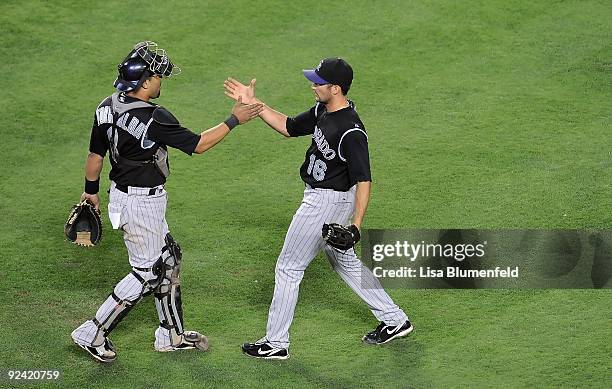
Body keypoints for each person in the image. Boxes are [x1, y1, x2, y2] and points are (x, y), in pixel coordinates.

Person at [71, 41, 263, 363]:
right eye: (158, 76)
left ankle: (170, 335)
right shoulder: (154, 117)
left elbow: (95, 156)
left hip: (121, 197)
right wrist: (234, 120)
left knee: (169, 259)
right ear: (145, 82)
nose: (161, 80)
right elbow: (198, 145)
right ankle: (92, 332)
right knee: (147, 272)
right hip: (140, 205)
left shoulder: (106, 106)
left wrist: (90, 191)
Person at [224, 58, 412, 360]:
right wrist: (254, 103)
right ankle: (395, 319)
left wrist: (356, 226)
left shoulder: (351, 132)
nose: (313, 85)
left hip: (326, 201)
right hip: (329, 197)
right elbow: (288, 127)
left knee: (288, 267)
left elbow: (364, 180)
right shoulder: (324, 110)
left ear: (335, 88)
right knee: (343, 261)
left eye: (319, 82)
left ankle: (276, 343)